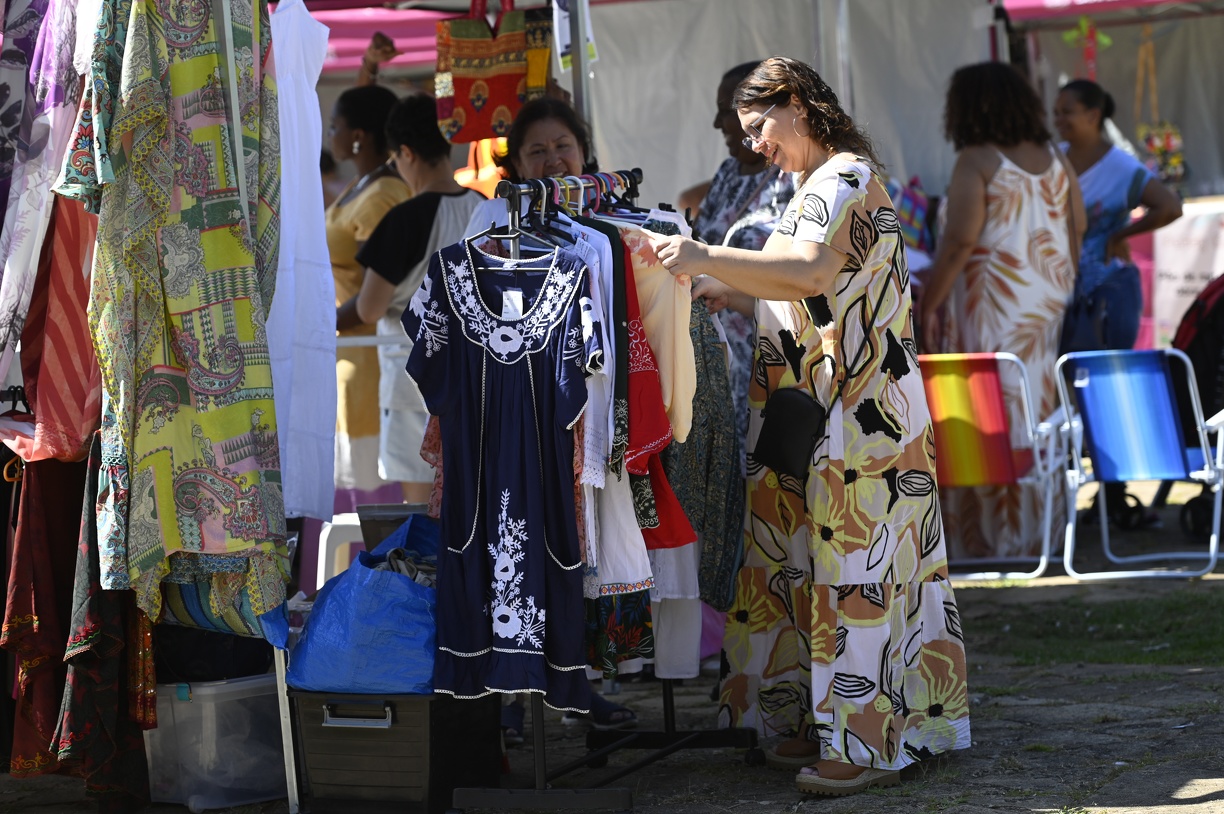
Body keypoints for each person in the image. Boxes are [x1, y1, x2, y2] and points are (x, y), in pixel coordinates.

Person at [647, 56, 970, 796]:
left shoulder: (842, 178)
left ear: (795, 104)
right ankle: (816, 719)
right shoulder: (814, 181)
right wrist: (725, 286)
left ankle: (858, 741)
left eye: (759, 126)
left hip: (857, 418)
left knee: (853, 572)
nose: (754, 145)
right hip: (821, 414)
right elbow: (807, 282)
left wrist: (703, 255)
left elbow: (806, 273)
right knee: (802, 566)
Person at [918, 62, 1084, 564]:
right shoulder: (1056, 159)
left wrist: (930, 305)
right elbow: (1078, 224)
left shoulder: (977, 160)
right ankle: (1037, 534)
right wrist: (1063, 282)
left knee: (983, 400)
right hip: (1043, 299)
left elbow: (960, 242)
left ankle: (986, 537)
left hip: (990, 299)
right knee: (1032, 404)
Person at [335, 93, 484, 504]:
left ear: (404, 152)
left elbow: (369, 308)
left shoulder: (403, 220)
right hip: (480, 376)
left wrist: (322, 323)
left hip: (412, 379)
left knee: (422, 510)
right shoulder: (485, 209)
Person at [1054, 78, 1182, 526]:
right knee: (1072, 389)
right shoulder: (1056, 158)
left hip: (1110, 293)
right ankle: (1102, 493)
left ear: (1093, 115)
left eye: (1067, 110)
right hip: (1066, 293)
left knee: (1108, 387)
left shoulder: (1121, 166)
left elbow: (1170, 205)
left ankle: (1116, 493)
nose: (1058, 118)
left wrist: (1119, 236)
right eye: (1057, 110)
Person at [688, 60, 796, 473]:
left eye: (727, 112)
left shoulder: (793, 178)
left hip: (769, 355)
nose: (720, 123)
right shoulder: (728, 172)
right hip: (720, 358)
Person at [327, 86, 410, 494]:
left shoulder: (382, 195)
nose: (330, 134)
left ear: (358, 135)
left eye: (335, 126)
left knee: (372, 491)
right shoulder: (365, 184)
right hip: (350, 350)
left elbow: (375, 292)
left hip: (369, 352)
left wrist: (320, 327)